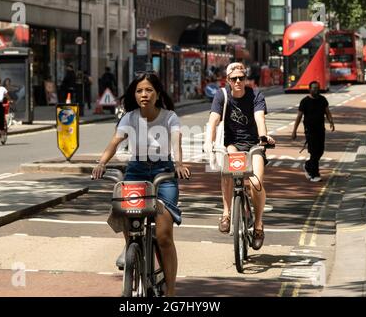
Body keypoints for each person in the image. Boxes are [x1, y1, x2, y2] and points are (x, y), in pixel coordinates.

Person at [92, 72, 191, 296]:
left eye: (148, 90)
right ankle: (132, 248)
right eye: (139, 91)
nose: (144, 94)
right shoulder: (129, 117)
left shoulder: (169, 117)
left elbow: (176, 141)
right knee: (125, 213)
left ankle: (171, 291)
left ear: (157, 94)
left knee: (164, 235)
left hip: (164, 172)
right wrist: (101, 164)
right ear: (134, 95)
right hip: (136, 170)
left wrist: (179, 164)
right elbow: (115, 142)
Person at [205, 62, 275, 251]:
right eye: (234, 78)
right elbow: (213, 121)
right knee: (228, 171)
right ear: (227, 80)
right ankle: (227, 213)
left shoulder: (256, 95)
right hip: (233, 144)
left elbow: (260, 117)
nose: (238, 81)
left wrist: (263, 137)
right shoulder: (222, 95)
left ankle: (258, 226)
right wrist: (208, 143)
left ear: (246, 79)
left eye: (241, 78)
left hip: (254, 145)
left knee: (255, 182)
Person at [291, 81, 335, 182]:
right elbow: (299, 117)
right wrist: (294, 131)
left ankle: (308, 165)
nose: (316, 89)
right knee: (314, 152)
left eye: (317, 88)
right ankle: (314, 174)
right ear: (309, 89)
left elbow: (327, 112)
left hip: (321, 129)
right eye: (314, 88)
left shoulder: (323, 100)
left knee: (320, 151)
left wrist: (331, 122)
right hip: (310, 131)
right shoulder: (305, 101)